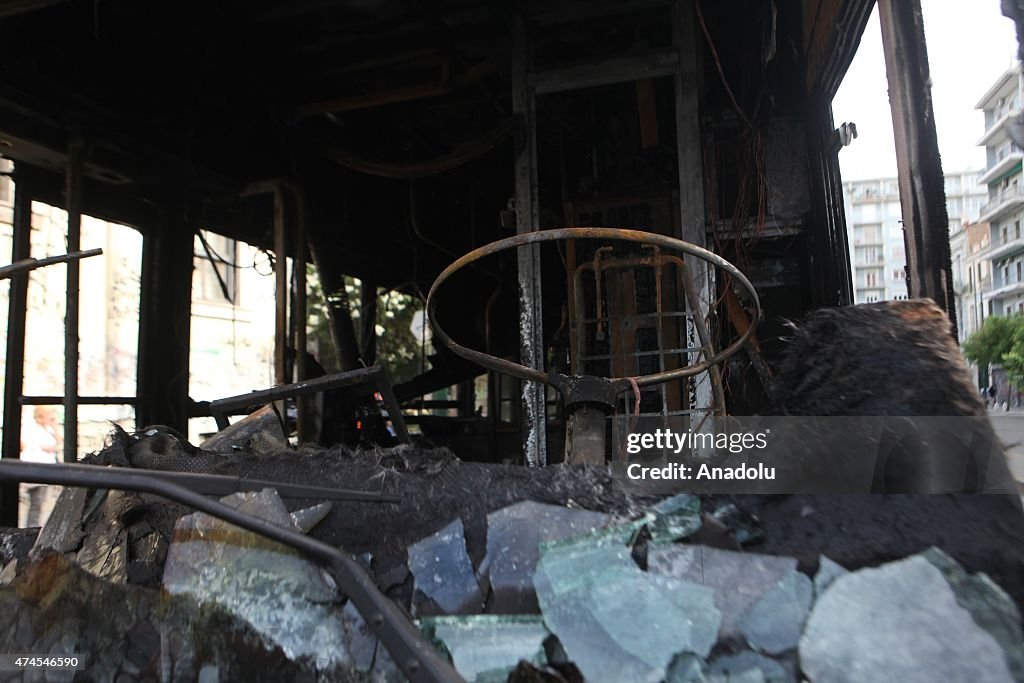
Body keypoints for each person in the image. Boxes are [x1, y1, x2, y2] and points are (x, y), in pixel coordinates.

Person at [19, 405, 61, 527]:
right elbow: (31, 445)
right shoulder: (31, 428)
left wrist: (55, 426)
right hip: (34, 467)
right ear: (41, 415)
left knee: (39, 502)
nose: (52, 417)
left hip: (45, 468)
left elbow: (59, 442)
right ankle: (31, 527)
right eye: (49, 414)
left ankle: (33, 526)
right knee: (36, 502)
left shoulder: (48, 429)